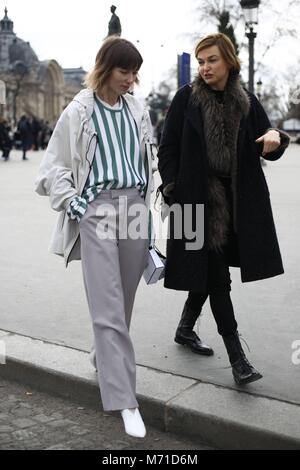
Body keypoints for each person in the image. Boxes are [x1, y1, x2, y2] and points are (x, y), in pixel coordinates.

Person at [35, 37, 156, 438]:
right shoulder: (79, 110)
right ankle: (125, 399)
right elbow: (53, 166)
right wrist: (75, 205)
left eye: (135, 72)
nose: (131, 79)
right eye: (125, 71)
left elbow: (149, 160)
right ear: (105, 68)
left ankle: (102, 356)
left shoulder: (138, 109)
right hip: (98, 208)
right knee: (106, 305)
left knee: (123, 301)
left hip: (136, 208)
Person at [158, 33, 290, 386]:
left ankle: (185, 328)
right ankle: (238, 358)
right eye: (201, 61)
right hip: (195, 200)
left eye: (211, 60)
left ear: (229, 62)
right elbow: (167, 147)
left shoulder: (246, 100)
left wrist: (277, 138)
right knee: (218, 275)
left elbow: (269, 140)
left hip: (237, 201)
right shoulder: (186, 98)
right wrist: (171, 187)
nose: (204, 67)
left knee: (207, 268)